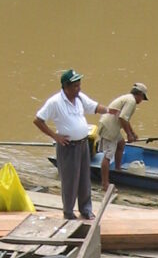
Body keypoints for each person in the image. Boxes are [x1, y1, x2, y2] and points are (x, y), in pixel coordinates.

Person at [34, 69, 119, 221]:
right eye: (75, 86)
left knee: (84, 179)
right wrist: (55, 136)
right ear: (66, 86)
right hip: (68, 146)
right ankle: (68, 212)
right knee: (70, 181)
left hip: (83, 144)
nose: (78, 89)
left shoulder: (79, 97)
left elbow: (94, 107)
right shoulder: (55, 102)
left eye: (79, 85)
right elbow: (38, 120)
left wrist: (108, 110)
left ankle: (86, 210)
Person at [98, 82, 149, 191]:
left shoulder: (128, 98)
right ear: (140, 94)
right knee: (108, 155)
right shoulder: (131, 101)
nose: (142, 100)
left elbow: (125, 119)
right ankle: (105, 184)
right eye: (142, 97)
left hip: (111, 126)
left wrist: (133, 132)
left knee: (121, 143)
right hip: (109, 127)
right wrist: (129, 135)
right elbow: (122, 118)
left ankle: (117, 169)